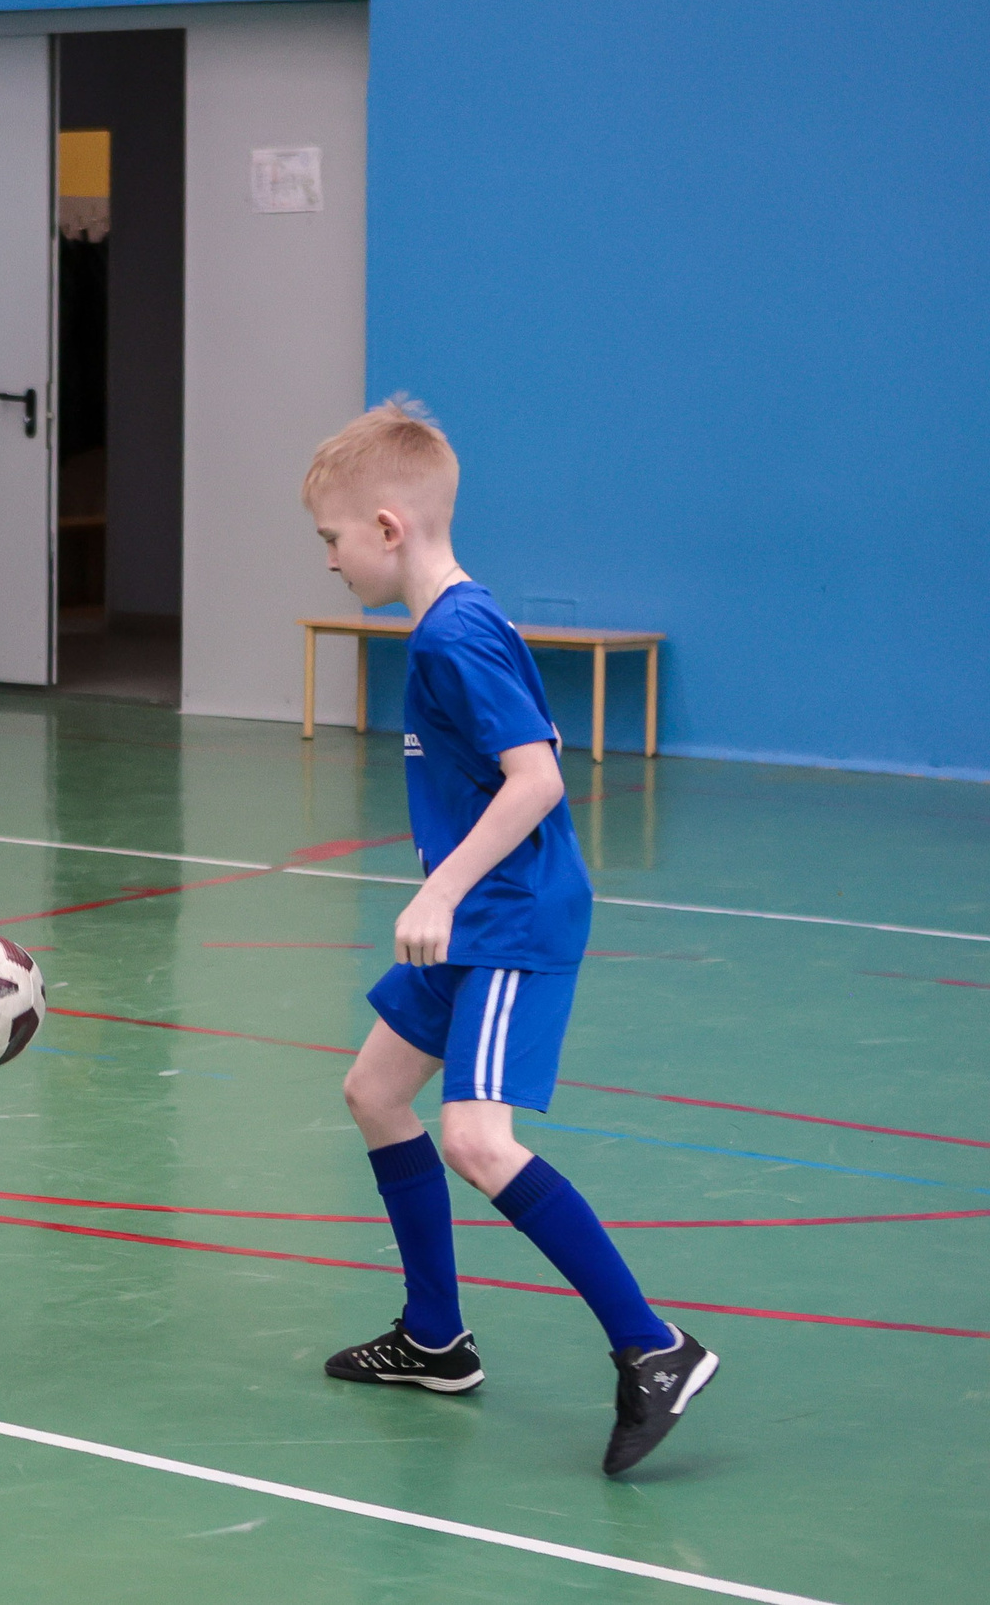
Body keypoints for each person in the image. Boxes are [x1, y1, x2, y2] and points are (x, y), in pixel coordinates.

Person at [304, 399, 716, 1477]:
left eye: (331, 540)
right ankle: (435, 1339)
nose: (330, 560)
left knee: (478, 1140)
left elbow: (536, 777)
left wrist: (439, 889)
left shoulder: (452, 635)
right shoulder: (448, 625)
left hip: (510, 916)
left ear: (386, 528)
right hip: (481, 915)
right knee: (374, 1089)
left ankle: (654, 1347)